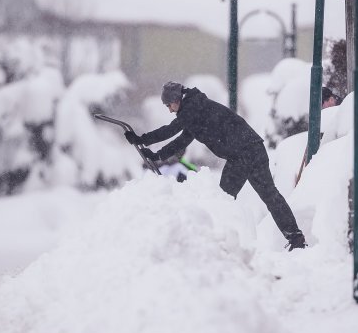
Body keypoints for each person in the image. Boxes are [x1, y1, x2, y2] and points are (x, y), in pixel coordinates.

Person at [126, 81, 307, 250]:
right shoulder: (194, 110)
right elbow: (181, 141)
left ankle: (221, 244)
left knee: (228, 199)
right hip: (245, 153)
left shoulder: (193, 108)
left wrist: (142, 139)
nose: (170, 110)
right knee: (245, 197)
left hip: (247, 152)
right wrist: (157, 155)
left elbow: (170, 130)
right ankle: (293, 238)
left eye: (169, 105)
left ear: (176, 99)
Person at [294, 86, 342, 185]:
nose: (321, 108)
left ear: (331, 99)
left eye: (322, 104)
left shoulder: (340, 110)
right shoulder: (331, 110)